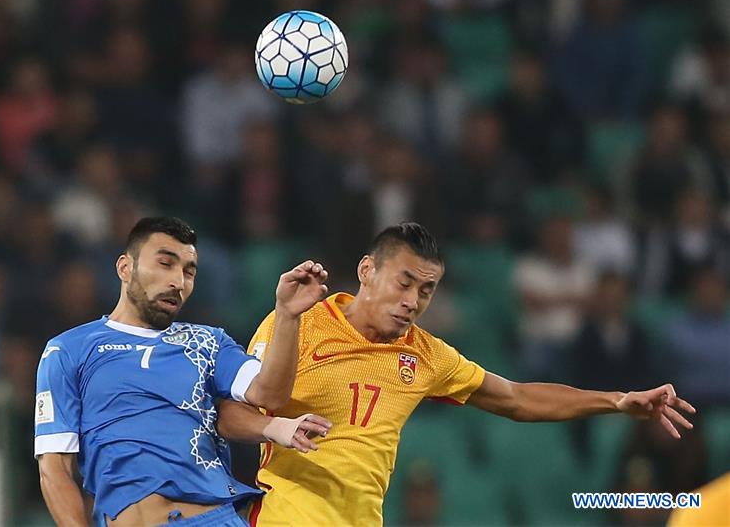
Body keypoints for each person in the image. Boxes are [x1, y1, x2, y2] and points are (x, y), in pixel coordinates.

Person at [218, 222, 697, 526]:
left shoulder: (427, 355)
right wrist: (276, 427)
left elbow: (517, 398)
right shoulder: (299, 320)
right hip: (285, 515)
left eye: (426, 290)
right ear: (367, 271)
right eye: (404, 282)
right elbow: (233, 416)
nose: (413, 301)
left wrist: (616, 401)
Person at [34, 216, 332, 526]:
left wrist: (287, 315)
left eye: (189, 272)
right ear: (125, 268)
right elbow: (54, 470)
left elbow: (269, 394)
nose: (178, 282)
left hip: (214, 519)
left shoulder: (209, 342)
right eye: (165, 264)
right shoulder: (69, 350)